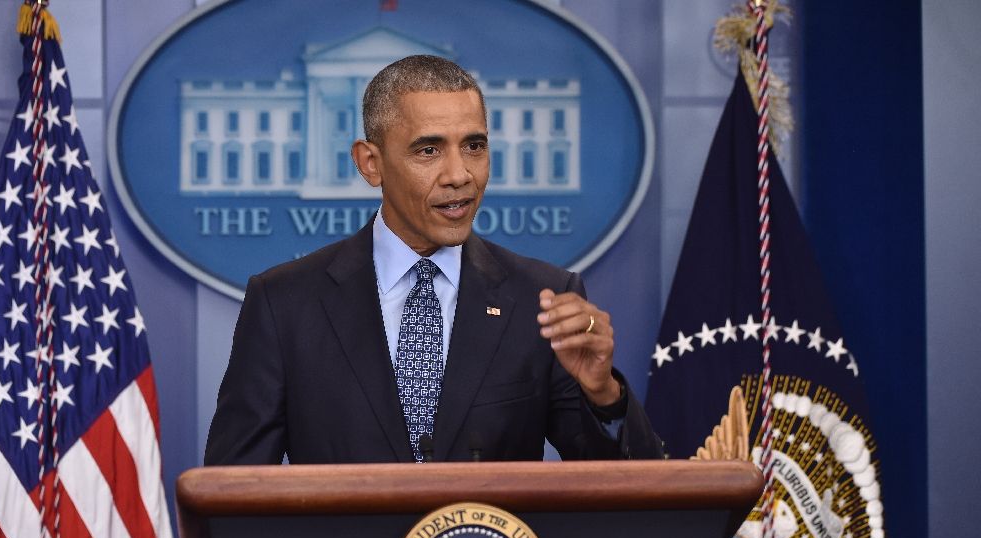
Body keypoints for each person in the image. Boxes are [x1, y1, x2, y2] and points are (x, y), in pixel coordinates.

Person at [204, 55, 662, 465]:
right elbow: (231, 497)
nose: (460, 175)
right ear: (370, 163)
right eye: (429, 150)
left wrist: (602, 394)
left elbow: (623, 491)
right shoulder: (285, 303)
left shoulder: (542, 299)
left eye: (474, 146)